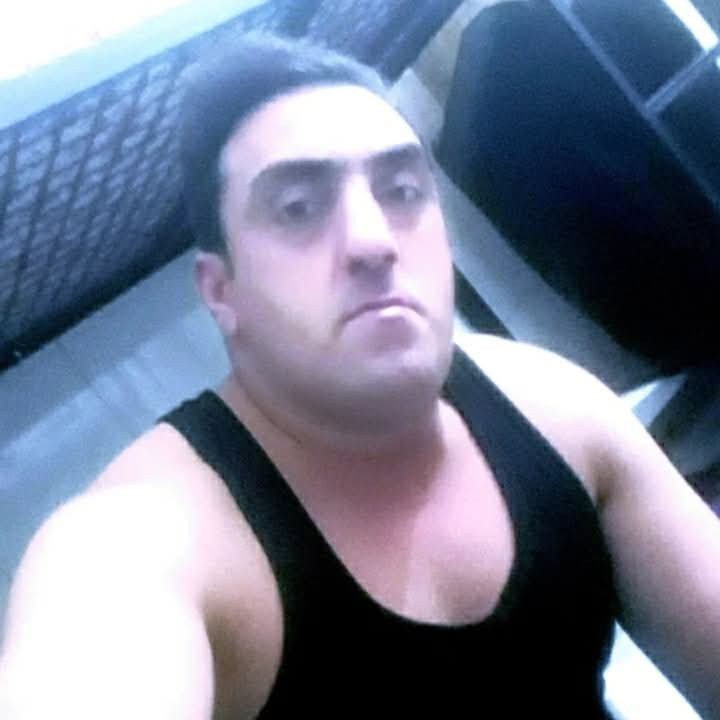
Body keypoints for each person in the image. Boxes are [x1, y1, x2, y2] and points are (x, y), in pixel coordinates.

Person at [1, 33, 719, 720]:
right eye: (297, 207)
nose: (374, 240)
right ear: (221, 291)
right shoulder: (137, 543)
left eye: (402, 190)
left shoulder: (550, 404)